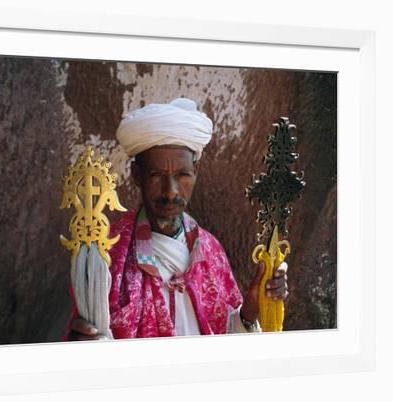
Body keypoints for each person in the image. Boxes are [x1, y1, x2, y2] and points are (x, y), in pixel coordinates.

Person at [67, 98, 288, 340]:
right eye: (157, 175)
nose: (171, 190)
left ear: (196, 173)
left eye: (183, 175)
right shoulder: (110, 253)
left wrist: (249, 311)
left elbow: (225, 340)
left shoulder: (210, 250)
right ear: (137, 176)